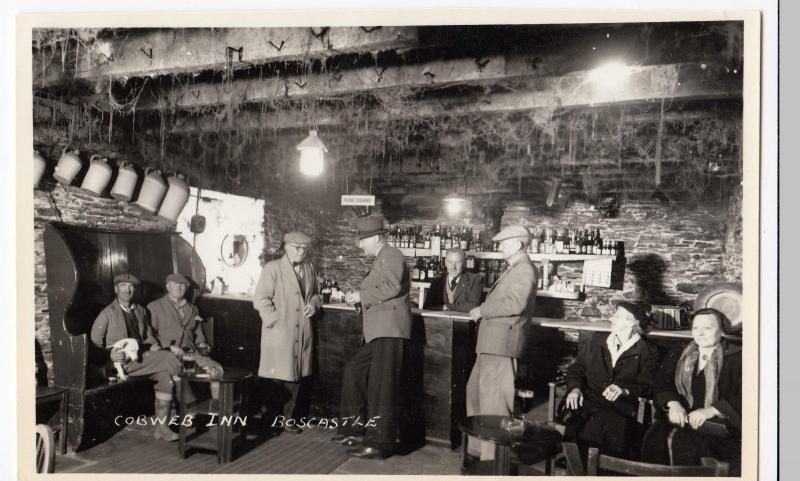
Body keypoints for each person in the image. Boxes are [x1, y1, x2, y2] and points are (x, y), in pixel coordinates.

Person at [332, 216, 413, 459]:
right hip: (378, 330)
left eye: (362, 239)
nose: (360, 245)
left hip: (389, 329)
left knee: (382, 386)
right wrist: (359, 298)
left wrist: (360, 297)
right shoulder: (382, 257)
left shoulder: (391, 254)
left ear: (377, 238)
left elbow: (392, 287)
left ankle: (380, 443)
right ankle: (354, 429)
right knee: (353, 371)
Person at [466, 225, 537, 461]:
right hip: (491, 344)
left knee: (495, 405)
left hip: (501, 345)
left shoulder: (524, 269)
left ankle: (493, 464)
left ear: (517, 244)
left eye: (504, 243)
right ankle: (479, 454)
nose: (500, 246)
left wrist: (482, 310)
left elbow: (514, 304)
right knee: (476, 396)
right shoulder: (515, 268)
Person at [641, 308, 741, 475]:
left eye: (707, 328)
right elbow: (661, 381)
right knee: (654, 438)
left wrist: (711, 410)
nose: (700, 334)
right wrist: (672, 404)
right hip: (680, 420)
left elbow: (747, 394)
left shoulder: (738, 356)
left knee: (701, 451)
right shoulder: (681, 351)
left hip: (718, 426)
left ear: (722, 330)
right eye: (695, 328)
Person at [89, 273, 182, 442]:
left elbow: (148, 337)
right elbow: (94, 344)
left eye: (131, 286)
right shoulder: (107, 313)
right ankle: (188, 410)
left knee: (165, 377)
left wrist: (157, 348)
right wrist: (109, 355)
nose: (127, 289)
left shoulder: (140, 311)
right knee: (170, 360)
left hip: (141, 360)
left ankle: (162, 429)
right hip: (122, 364)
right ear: (116, 289)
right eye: (123, 285)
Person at [563, 302, 660, 459]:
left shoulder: (647, 351)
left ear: (632, 323)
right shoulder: (597, 340)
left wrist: (624, 390)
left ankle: (587, 466)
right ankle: (585, 465)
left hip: (620, 406)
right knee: (592, 421)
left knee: (606, 422)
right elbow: (577, 369)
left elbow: (648, 385)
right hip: (588, 399)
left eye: (618, 316)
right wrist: (575, 388)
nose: (612, 318)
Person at [252, 231, 322, 435]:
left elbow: (317, 294)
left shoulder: (309, 268)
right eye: (297, 248)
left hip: (302, 333)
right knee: (277, 378)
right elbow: (261, 300)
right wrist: (275, 320)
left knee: (296, 376)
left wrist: (313, 305)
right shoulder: (273, 269)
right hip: (280, 333)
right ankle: (270, 421)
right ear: (286, 247)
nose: (301, 252)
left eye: (304, 249)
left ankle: (288, 420)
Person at [148, 273, 223, 399]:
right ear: (168, 287)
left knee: (217, 369)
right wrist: (165, 349)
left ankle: (216, 408)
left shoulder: (193, 309)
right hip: (168, 355)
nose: (180, 288)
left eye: (183, 285)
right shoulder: (155, 307)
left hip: (190, 355)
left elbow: (198, 333)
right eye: (176, 285)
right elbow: (149, 335)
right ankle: (189, 411)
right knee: (177, 377)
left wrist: (202, 344)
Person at [424, 248, 484, 312]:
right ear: (445, 263)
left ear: (464, 263)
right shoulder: (436, 283)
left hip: (463, 322)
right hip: (439, 321)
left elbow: (473, 306)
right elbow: (427, 308)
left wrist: (446, 307)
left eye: (457, 262)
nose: (453, 267)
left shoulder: (475, 280)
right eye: (450, 262)